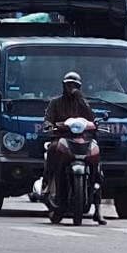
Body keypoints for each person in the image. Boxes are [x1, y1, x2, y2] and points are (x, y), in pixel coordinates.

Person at [42, 71, 96, 199]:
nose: (71, 88)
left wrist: (80, 98)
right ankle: (49, 182)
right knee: (52, 149)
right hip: (61, 137)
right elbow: (48, 118)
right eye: (68, 85)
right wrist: (49, 125)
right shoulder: (55, 102)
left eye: (74, 85)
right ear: (63, 86)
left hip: (80, 138)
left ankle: (95, 182)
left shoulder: (82, 103)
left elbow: (90, 118)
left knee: (94, 151)